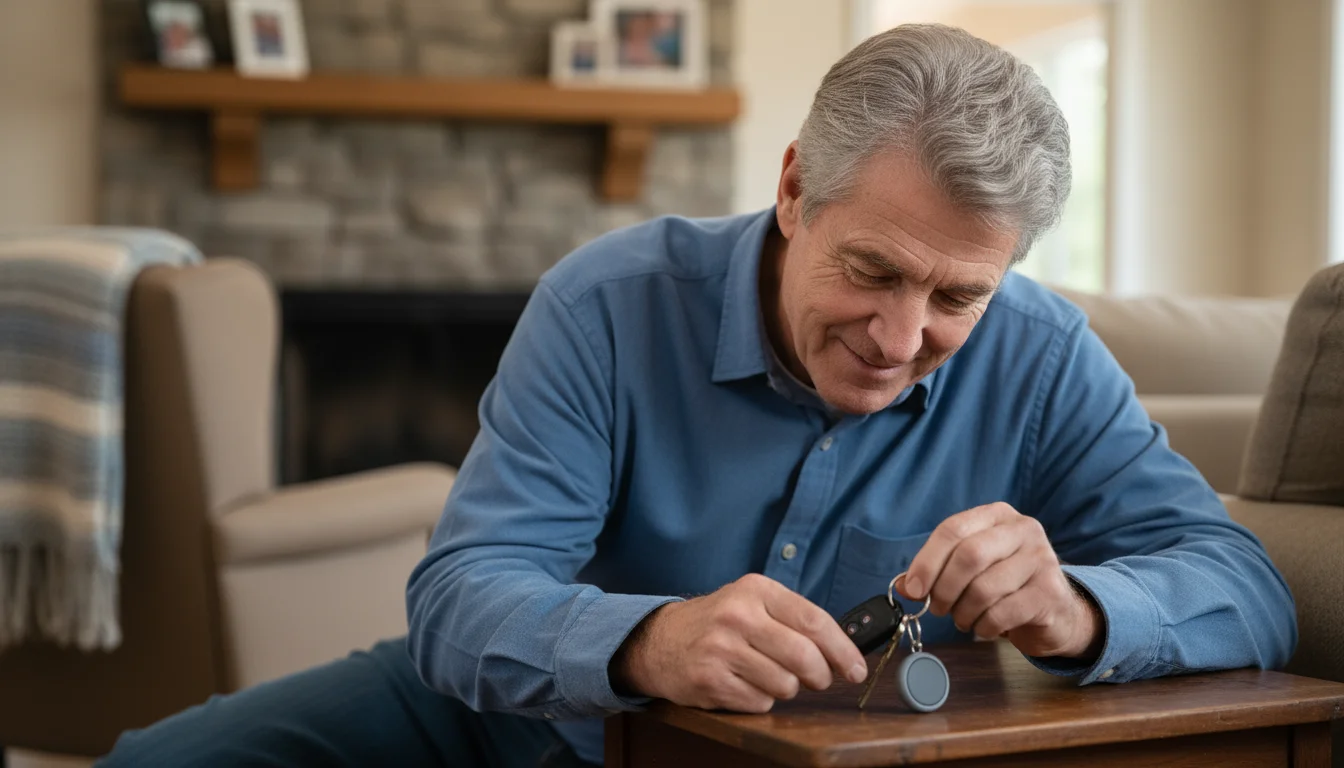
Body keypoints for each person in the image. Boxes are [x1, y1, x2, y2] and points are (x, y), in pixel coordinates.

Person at [99, 24, 1296, 768]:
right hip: (517, 716)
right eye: (872, 271)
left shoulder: (1040, 354)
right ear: (792, 188)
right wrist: (649, 638)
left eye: (956, 297)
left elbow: (1244, 589)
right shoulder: (608, 301)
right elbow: (460, 601)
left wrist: (1082, 608)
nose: (899, 338)